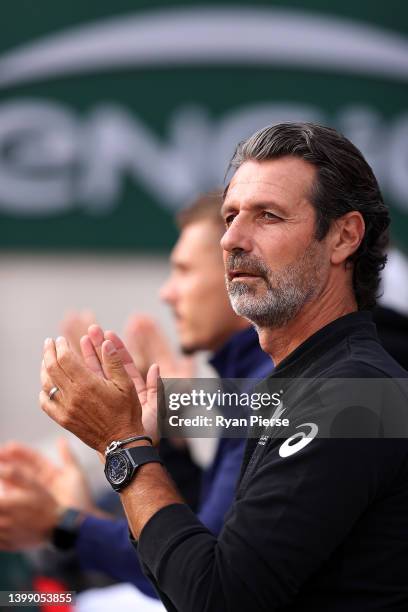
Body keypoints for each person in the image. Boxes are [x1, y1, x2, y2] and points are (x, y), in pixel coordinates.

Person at [38, 122, 408, 611]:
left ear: (344, 237)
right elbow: (199, 562)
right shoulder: (307, 383)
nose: (231, 238)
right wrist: (152, 443)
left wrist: (121, 446)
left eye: (268, 216)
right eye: (230, 216)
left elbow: (216, 598)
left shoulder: (353, 394)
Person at [0, 193, 272, 600]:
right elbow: (199, 528)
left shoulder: (280, 388)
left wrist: (68, 522)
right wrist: (163, 444)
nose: (168, 293)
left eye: (183, 271)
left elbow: (202, 577)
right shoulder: (249, 385)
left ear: (240, 274)